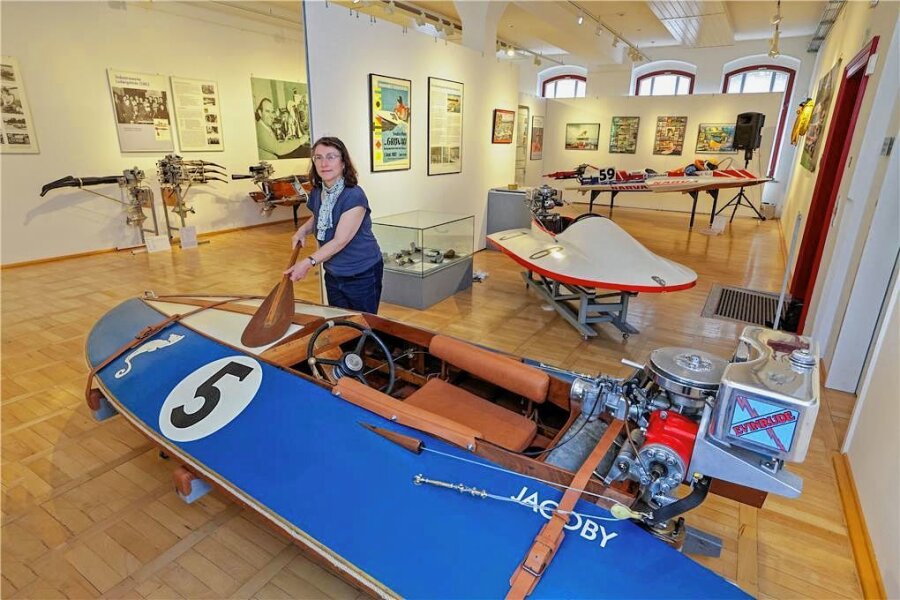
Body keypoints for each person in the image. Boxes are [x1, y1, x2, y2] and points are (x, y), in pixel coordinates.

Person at [284, 137, 383, 313]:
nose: (324, 163)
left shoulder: (354, 196)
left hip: (361, 272)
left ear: (343, 162)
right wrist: (302, 230)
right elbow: (319, 215)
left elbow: (340, 241)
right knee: (340, 323)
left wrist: (307, 263)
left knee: (364, 325)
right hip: (333, 271)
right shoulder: (318, 191)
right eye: (318, 158)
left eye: (331, 157)